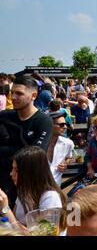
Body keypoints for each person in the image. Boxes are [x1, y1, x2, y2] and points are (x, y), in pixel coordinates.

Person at [0, 75, 53, 206]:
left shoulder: (43, 121)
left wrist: (6, 150)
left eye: (19, 93)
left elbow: (34, 156)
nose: (13, 97)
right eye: (12, 93)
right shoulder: (4, 117)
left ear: (33, 96)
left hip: (28, 187)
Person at [0, 146, 67, 234]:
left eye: (17, 170)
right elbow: (14, 223)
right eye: (12, 169)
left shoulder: (50, 197)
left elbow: (43, 235)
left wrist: (5, 209)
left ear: (31, 173)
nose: (11, 173)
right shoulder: (24, 191)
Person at [47, 112, 74, 186]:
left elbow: (69, 157)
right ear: (50, 125)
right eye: (61, 125)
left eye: (65, 124)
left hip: (56, 188)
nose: (65, 127)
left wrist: (65, 164)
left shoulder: (68, 143)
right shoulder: (38, 143)